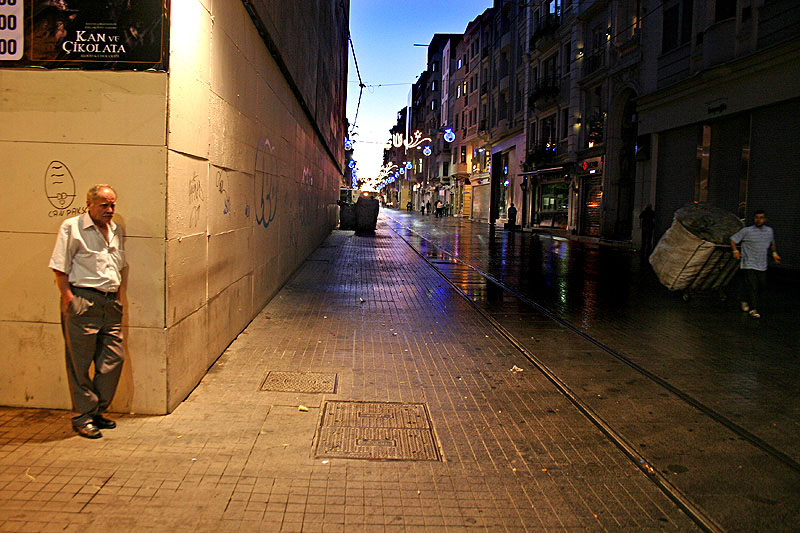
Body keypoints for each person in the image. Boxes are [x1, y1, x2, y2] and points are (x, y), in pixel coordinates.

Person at [49, 185, 127, 438]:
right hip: (83, 300)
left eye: (112, 205)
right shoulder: (72, 227)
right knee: (79, 363)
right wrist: (70, 300)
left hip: (110, 304)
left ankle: (97, 411)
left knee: (114, 359)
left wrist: (117, 299)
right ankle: (82, 416)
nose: (109, 210)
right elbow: (60, 268)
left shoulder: (115, 230)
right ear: (89, 204)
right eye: (104, 205)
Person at [730, 210, 781, 319]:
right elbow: (733, 240)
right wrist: (735, 251)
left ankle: (744, 298)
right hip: (749, 263)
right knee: (753, 285)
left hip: (761, 263)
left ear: (765, 219)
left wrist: (775, 254)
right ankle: (754, 309)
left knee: (762, 285)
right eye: (757, 217)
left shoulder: (769, 231)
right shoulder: (747, 231)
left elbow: (772, 243)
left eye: (761, 217)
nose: (759, 220)